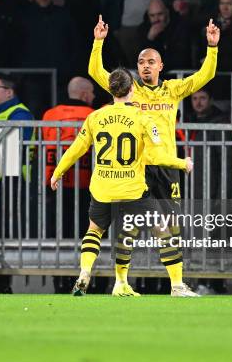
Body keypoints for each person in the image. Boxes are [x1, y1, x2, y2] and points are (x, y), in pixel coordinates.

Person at [89, 14, 220, 296]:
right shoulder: (129, 90)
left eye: (151, 62)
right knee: (130, 227)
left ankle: (175, 285)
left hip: (166, 168)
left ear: (161, 66)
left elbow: (205, 76)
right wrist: (98, 43)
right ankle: (122, 282)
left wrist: (212, 48)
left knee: (171, 226)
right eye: (141, 62)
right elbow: (97, 73)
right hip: (137, 170)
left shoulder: (172, 90)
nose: (145, 66)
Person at [50, 68, 193, 297]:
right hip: (132, 189)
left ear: (110, 90)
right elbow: (155, 157)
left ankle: (90, 273)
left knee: (94, 230)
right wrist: (181, 162)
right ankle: (176, 285)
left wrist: (58, 171)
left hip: (102, 187)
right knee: (162, 231)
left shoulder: (95, 117)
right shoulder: (144, 118)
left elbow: (77, 148)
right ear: (133, 89)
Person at [43, 76, 95, 240]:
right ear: (85, 94)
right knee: (83, 226)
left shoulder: (50, 115)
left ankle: (52, 254)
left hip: (54, 178)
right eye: (92, 93)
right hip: (86, 179)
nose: (93, 97)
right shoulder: (93, 115)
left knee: (55, 223)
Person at [135, 0, 192, 72]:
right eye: (152, 15)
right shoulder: (143, 29)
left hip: (175, 76)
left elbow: (180, 60)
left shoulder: (180, 26)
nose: (156, 19)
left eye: (160, 14)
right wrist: (150, 39)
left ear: (167, 12)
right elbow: (139, 61)